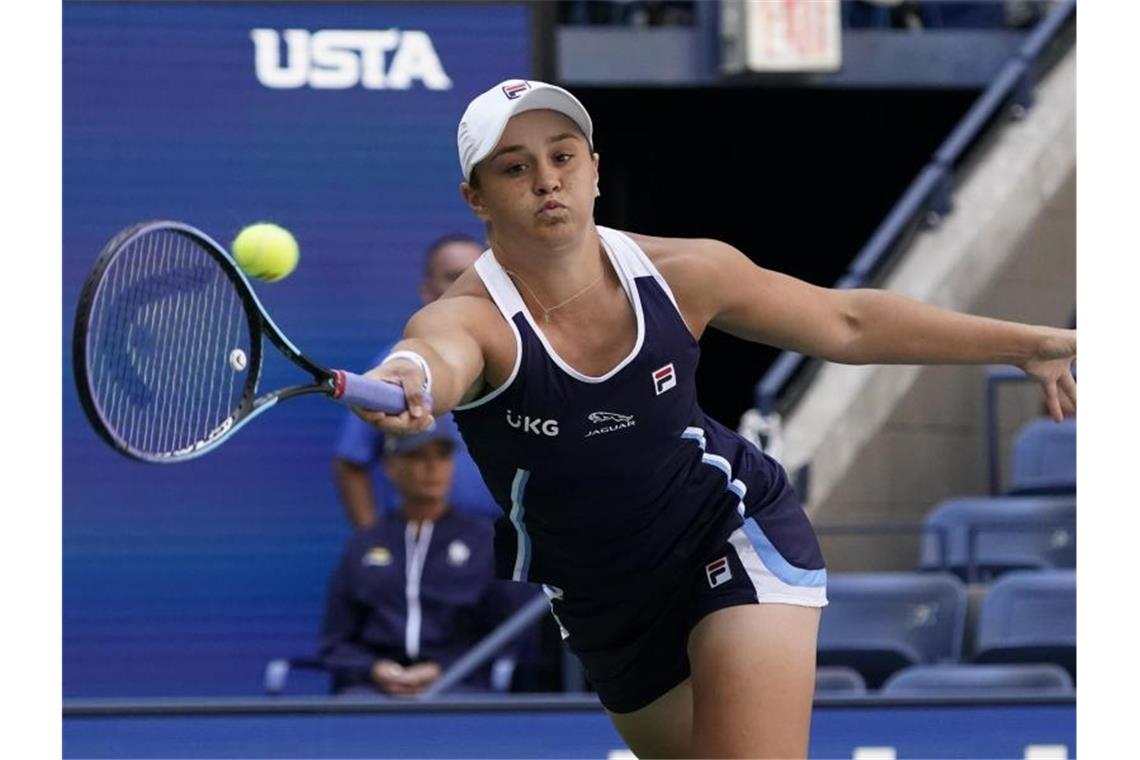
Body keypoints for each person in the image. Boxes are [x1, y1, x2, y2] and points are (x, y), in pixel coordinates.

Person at [355, 79, 1077, 756]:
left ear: (595, 169)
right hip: (605, 602)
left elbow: (848, 321)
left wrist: (1029, 345)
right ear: (475, 197)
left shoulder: (685, 272)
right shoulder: (471, 319)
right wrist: (409, 375)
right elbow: (433, 356)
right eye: (514, 168)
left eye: (563, 156)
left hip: (726, 527)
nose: (547, 179)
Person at [319, 415, 531, 696]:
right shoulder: (365, 545)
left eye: (442, 456)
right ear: (391, 466)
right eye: (417, 456)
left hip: (461, 688)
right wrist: (374, 669)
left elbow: (509, 634)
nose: (432, 468)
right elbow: (335, 643)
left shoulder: (484, 542)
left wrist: (443, 668)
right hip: (372, 692)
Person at [332, 233, 500, 528]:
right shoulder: (394, 367)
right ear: (427, 290)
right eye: (453, 277)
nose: (468, 287)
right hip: (424, 547)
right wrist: (378, 546)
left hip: (511, 551)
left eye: (478, 275)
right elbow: (351, 462)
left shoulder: (519, 356)